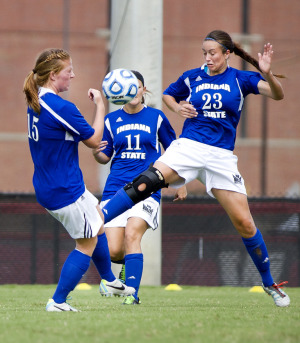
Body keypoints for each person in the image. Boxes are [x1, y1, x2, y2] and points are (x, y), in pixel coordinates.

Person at [101, 30, 290, 307]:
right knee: (150, 179)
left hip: (221, 157)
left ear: (227, 54)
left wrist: (267, 73)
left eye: (213, 53)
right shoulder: (193, 76)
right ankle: (100, 216)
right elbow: (167, 95)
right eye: (205, 52)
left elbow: (278, 95)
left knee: (245, 224)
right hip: (188, 146)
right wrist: (178, 109)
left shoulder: (240, 79)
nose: (208, 57)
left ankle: (269, 283)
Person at [23, 48, 135, 312]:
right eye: (68, 72)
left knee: (97, 218)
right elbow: (95, 141)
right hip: (64, 189)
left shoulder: (36, 99)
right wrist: (101, 106)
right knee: (86, 243)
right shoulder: (60, 106)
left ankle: (108, 280)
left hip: (53, 183)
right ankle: (58, 301)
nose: (73, 76)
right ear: (53, 76)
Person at [93, 70, 187, 305]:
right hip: (115, 188)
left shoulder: (156, 117)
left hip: (147, 187)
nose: (133, 91)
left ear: (144, 90)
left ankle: (132, 293)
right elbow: (105, 156)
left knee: (133, 234)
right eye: (128, 86)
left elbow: (173, 151)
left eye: (137, 86)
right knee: (114, 251)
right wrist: (97, 152)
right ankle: (127, 269)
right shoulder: (111, 120)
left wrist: (181, 182)